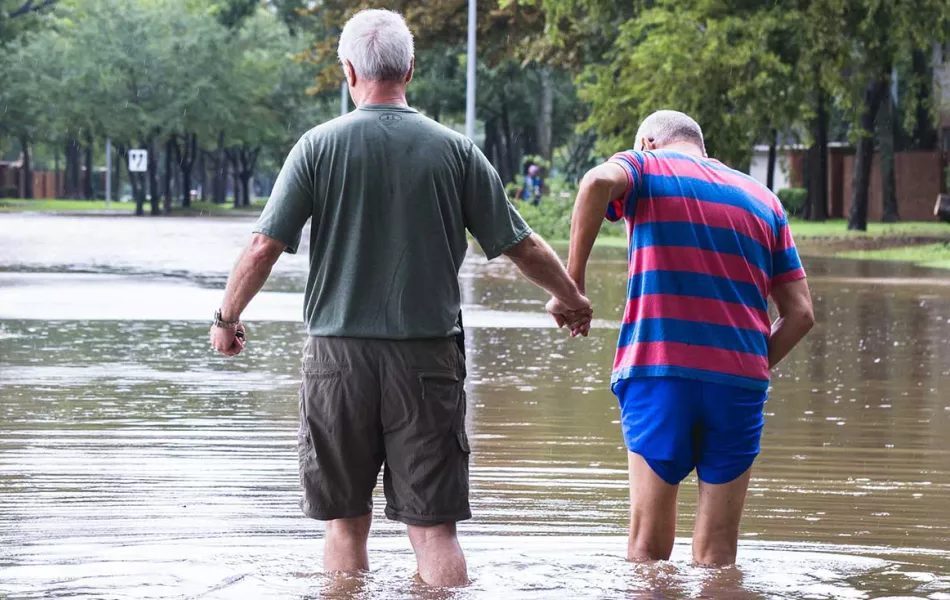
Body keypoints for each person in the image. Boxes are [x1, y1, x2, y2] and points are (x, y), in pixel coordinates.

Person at [208, 9, 591, 588]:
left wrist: (227, 317)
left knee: (343, 525)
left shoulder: (316, 147)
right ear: (411, 68)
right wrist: (571, 297)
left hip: (337, 361)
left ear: (347, 70)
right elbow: (520, 244)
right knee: (434, 531)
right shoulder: (454, 151)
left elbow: (264, 246)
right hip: (427, 360)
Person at [559, 110, 814, 566]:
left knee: (648, 549)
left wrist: (572, 288)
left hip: (661, 375)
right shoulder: (763, 199)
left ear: (647, 142)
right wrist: (747, 363)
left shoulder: (645, 166)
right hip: (738, 387)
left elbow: (596, 184)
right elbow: (800, 315)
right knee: (718, 556)